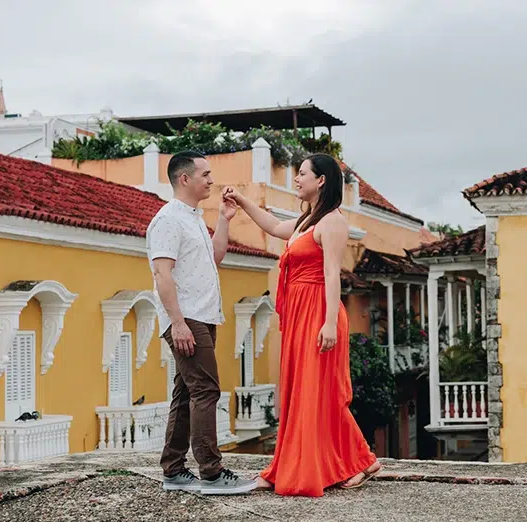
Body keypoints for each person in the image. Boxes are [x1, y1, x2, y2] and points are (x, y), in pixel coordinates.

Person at [223, 153, 382, 497]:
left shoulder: (332, 223)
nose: (296, 179)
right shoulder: (305, 221)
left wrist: (327, 323)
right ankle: (334, 463)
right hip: (299, 313)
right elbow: (270, 225)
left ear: (321, 180)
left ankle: (362, 460)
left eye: (302, 174)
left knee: (319, 393)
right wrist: (241, 200)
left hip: (318, 312)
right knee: (303, 393)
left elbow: (331, 275)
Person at [147, 150, 257, 496]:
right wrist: (177, 323)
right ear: (185, 179)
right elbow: (161, 274)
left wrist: (225, 219)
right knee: (207, 390)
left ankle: (174, 470)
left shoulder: (192, 217)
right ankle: (211, 472)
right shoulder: (167, 220)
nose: (211, 180)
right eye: (205, 174)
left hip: (203, 315)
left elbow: (215, 257)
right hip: (187, 317)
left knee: (185, 394)